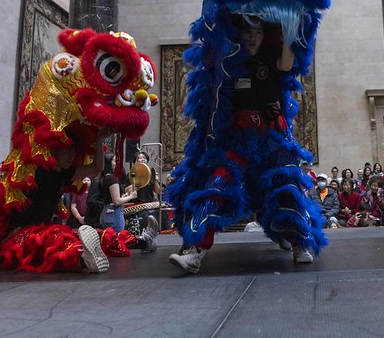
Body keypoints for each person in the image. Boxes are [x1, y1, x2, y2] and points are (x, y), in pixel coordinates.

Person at [168, 17, 325, 273]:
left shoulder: (272, 62)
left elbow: (288, 60)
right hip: (237, 141)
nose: (253, 38)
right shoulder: (227, 66)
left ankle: (299, 244)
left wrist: (291, 19)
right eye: (248, 32)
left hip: (271, 140)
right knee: (216, 185)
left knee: (286, 189)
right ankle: (195, 252)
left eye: (259, 32)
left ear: (266, 36)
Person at [98, 154, 138, 232]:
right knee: (117, 240)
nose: (118, 164)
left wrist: (124, 196)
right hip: (114, 213)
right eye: (115, 161)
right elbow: (116, 201)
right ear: (108, 163)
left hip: (105, 212)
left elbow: (110, 198)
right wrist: (131, 196)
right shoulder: (112, 178)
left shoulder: (104, 177)